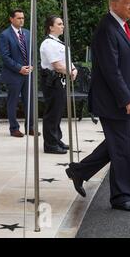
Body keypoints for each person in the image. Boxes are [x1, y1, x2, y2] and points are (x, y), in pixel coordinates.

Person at [66, 0, 130, 212]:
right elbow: (110, 70)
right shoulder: (106, 29)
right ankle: (122, 197)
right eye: (129, 3)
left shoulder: (121, 27)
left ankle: (79, 171)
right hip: (113, 101)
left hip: (118, 99)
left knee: (118, 144)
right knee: (121, 147)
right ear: (114, 4)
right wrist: (127, 99)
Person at [39, 15, 77, 154]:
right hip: (52, 81)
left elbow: (65, 60)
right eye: (59, 24)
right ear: (51, 27)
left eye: (62, 24)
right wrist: (70, 71)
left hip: (60, 80)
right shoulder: (48, 43)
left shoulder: (57, 42)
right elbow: (57, 65)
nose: (63, 26)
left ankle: (56, 139)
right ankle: (50, 145)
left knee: (58, 112)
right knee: (52, 113)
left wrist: (73, 69)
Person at [0, 9, 35, 138]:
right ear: (11, 19)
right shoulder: (5, 35)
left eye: (23, 18)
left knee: (29, 101)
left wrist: (32, 65)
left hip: (28, 74)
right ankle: (14, 129)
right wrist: (20, 68)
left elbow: (31, 52)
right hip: (14, 74)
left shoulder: (28, 33)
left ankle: (30, 128)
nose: (21, 20)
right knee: (12, 102)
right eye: (19, 18)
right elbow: (5, 57)